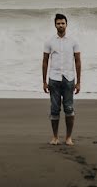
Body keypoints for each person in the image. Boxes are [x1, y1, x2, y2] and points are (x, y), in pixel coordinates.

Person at [42, 13, 81, 145]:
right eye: (58, 23)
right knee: (54, 109)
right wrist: (44, 81)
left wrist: (79, 82)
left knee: (69, 109)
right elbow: (45, 61)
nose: (60, 25)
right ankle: (55, 137)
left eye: (62, 23)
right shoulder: (49, 41)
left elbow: (78, 62)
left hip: (69, 78)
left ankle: (68, 137)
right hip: (54, 78)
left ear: (66, 24)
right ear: (55, 25)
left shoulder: (73, 41)